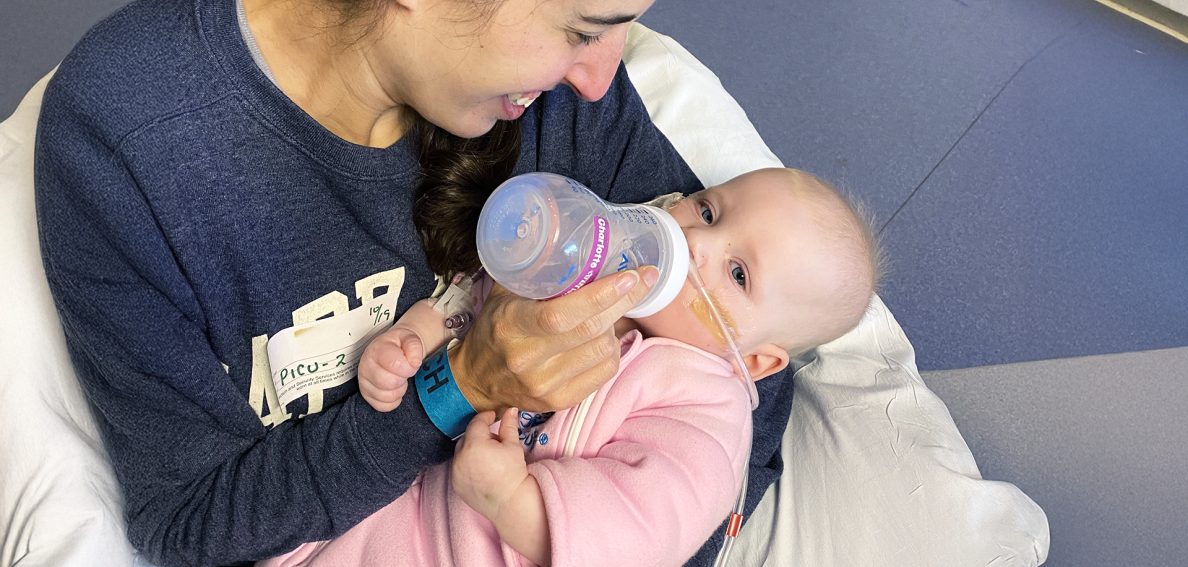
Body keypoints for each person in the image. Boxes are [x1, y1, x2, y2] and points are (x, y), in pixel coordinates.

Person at [33, 0, 799, 566]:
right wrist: (459, 386)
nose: (600, 80)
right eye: (582, 29)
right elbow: (189, 519)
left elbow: (753, 353)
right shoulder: (128, 138)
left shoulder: (560, 108)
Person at [256, 167, 879, 567]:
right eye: (709, 212)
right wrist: (411, 339)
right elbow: (469, 298)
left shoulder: (705, 413)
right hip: (379, 512)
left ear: (755, 360)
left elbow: (641, 532)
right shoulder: (589, 267)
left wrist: (512, 502)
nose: (696, 244)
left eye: (738, 274)